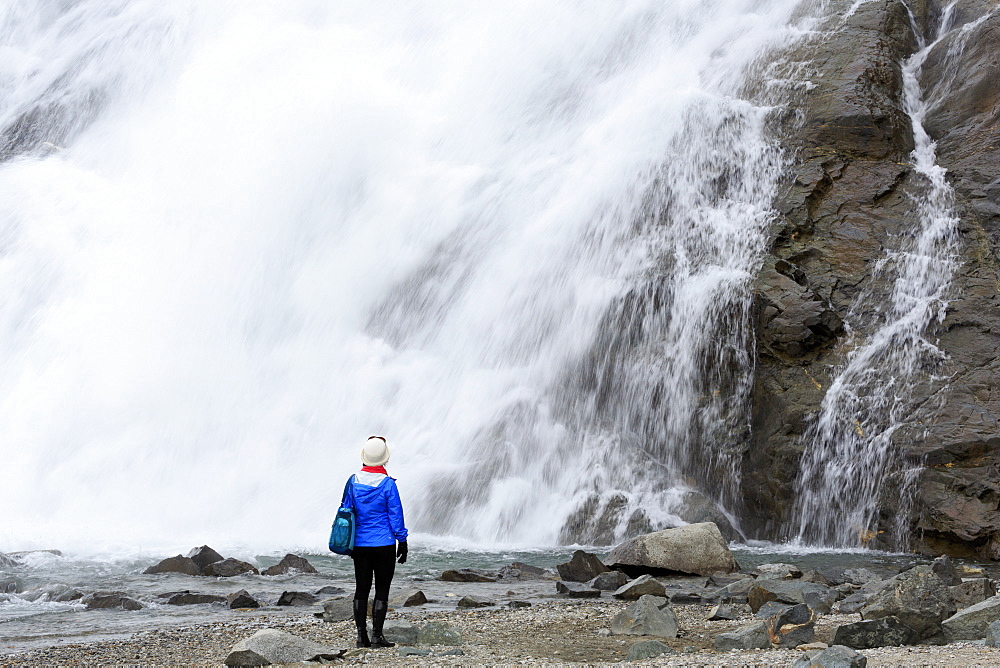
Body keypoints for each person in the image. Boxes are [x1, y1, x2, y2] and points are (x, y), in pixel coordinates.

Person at [344, 435, 408, 649]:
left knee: (361, 589)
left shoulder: (352, 482)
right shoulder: (388, 484)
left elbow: (346, 511)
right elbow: (395, 515)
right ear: (384, 459)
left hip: (360, 545)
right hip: (384, 545)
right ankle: (377, 636)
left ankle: (361, 636)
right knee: (382, 589)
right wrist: (403, 541)